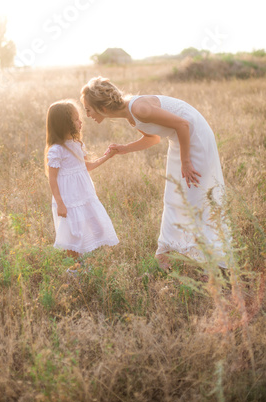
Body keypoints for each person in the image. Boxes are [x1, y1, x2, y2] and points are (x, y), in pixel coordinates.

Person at [81, 76, 229, 271]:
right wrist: (124, 148)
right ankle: (164, 252)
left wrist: (186, 161)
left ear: (102, 107)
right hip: (179, 140)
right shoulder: (130, 113)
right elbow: (154, 139)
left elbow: (183, 124)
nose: (87, 114)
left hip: (195, 138)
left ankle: (210, 261)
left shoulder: (139, 108)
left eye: (88, 109)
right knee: (174, 195)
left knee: (196, 196)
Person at [45, 99, 119, 274]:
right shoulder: (56, 150)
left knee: (86, 228)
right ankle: (74, 269)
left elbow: (88, 166)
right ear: (65, 124)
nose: (81, 122)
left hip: (83, 196)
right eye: (76, 119)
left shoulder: (77, 145)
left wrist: (107, 156)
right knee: (73, 232)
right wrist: (60, 203)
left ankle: (81, 265)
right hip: (68, 200)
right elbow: (52, 179)